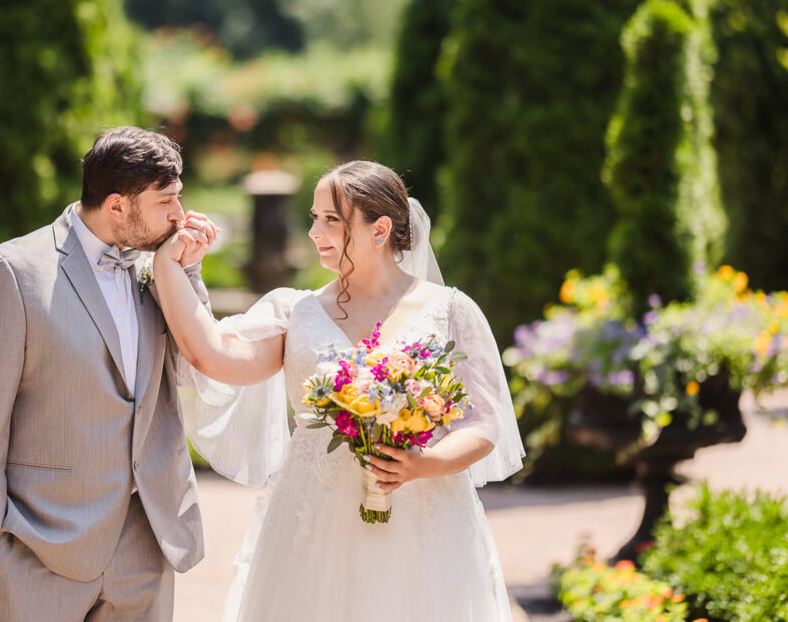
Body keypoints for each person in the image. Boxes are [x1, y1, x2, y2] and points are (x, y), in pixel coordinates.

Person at [152, 160, 526, 620]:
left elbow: (484, 423)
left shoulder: (451, 311)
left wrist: (421, 463)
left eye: (331, 219)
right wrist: (174, 269)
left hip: (423, 520)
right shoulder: (296, 312)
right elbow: (213, 357)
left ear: (380, 229)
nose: (314, 231)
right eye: (313, 217)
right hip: (313, 523)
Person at [0, 126, 217, 621]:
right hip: (38, 547)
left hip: (145, 543)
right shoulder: (14, 271)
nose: (180, 215)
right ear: (117, 206)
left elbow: (195, 367)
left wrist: (187, 273)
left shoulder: (160, 266)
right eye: (167, 201)